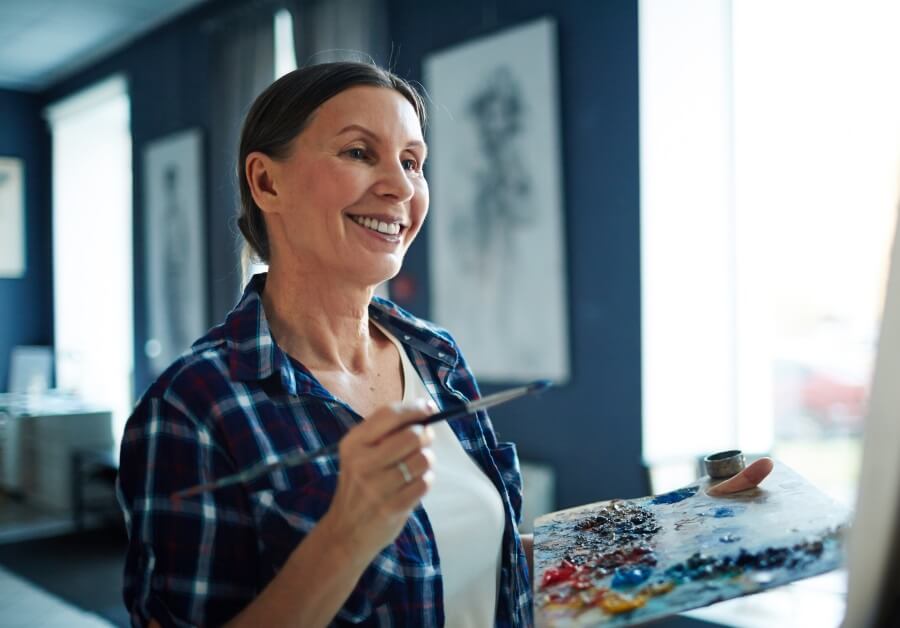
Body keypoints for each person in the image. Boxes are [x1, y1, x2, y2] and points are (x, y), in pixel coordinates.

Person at [117, 61, 773, 628]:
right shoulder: (193, 405)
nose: (400, 186)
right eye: (358, 152)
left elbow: (491, 558)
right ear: (267, 183)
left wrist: (684, 529)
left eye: (412, 162)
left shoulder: (433, 355)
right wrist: (345, 537)